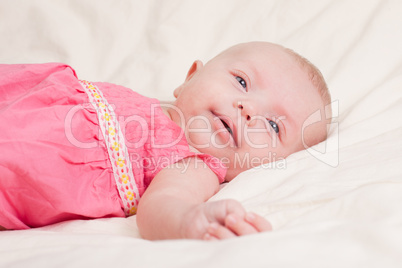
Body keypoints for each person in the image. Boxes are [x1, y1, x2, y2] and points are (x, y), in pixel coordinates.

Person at [0, 41, 331, 240]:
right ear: (190, 78)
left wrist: (190, 221)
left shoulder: (193, 165)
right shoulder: (139, 104)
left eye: (273, 126)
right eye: (242, 81)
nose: (249, 110)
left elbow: (161, 207)